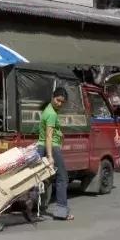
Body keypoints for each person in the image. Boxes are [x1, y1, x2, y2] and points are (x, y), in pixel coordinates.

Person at [38, 88, 73, 221]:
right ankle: (61, 212)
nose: (59, 104)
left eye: (62, 102)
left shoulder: (48, 109)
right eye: (57, 100)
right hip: (52, 147)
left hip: (44, 146)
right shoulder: (52, 114)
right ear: (52, 97)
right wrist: (50, 156)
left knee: (44, 180)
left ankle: (38, 209)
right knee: (62, 178)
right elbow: (48, 136)